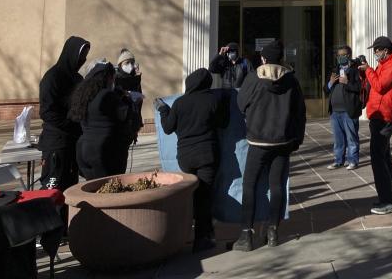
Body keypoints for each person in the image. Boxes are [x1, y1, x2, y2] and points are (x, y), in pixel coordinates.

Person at [233, 40, 306, 252]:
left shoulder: (254, 78)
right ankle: (273, 231)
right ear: (280, 58)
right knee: (277, 185)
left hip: (258, 141)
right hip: (282, 141)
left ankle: (246, 234)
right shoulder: (291, 80)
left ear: (263, 59)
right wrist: (297, 139)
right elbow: (299, 112)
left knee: (250, 185)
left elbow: (240, 104)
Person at [157, 68, 230, 251]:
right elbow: (224, 123)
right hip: (207, 155)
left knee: (193, 195)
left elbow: (167, 128)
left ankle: (191, 232)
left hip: (185, 158)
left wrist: (164, 110)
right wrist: (225, 102)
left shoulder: (180, 103)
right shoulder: (212, 100)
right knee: (204, 197)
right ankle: (202, 238)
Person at [71, 60, 140, 180]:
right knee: (108, 189)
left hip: (84, 149)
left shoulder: (85, 95)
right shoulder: (107, 95)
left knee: (93, 187)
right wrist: (130, 101)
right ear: (108, 78)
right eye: (113, 79)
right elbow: (126, 116)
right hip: (105, 151)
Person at [357, 36, 392, 215]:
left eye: (376, 50)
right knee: (384, 157)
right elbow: (374, 84)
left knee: (378, 158)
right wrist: (365, 72)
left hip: (385, 116)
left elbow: (381, 85)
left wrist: (368, 69)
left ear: (385, 50)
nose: (375, 53)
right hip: (378, 115)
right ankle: (391, 198)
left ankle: (388, 201)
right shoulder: (384, 65)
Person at [38, 35, 91, 190]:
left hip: (73, 142)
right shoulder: (52, 78)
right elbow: (47, 112)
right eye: (81, 56)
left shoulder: (78, 79)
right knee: (54, 190)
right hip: (56, 143)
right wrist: (71, 124)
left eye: (85, 57)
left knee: (70, 189)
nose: (83, 60)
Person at [324, 44, 362, 170]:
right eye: (338, 55)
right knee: (338, 139)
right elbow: (326, 90)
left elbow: (358, 88)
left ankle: (353, 161)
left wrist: (347, 83)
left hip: (348, 110)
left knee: (351, 137)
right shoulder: (335, 70)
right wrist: (330, 83)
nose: (340, 57)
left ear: (349, 56)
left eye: (343, 55)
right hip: (335, 111)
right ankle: (339, 160)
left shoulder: (355, 70)